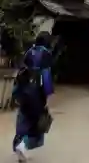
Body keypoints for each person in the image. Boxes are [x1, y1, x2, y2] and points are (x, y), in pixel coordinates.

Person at [12, 33, 54, 162]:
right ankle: (23, 145)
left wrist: (16, 93)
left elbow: (21, 72)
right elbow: (46, 76)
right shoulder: (46, 54)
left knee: (24, 120)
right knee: (37, 125)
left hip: (23, 92)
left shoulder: (30, 51)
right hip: (37, 94)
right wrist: (48, 94)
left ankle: (20, 151)